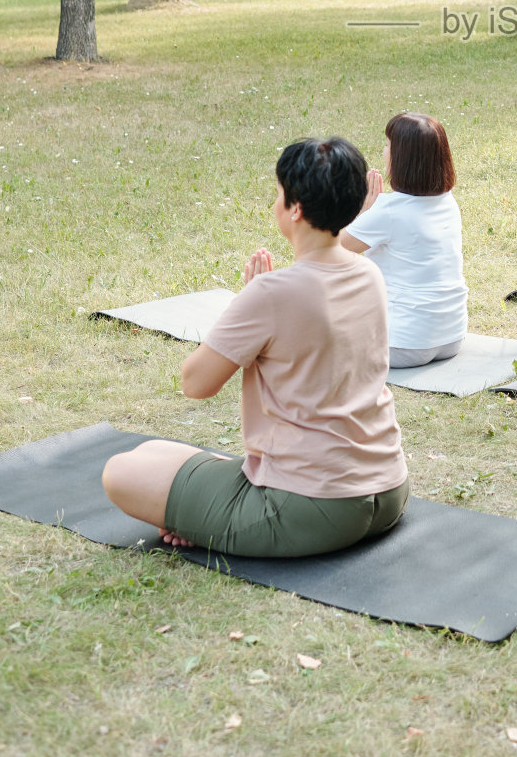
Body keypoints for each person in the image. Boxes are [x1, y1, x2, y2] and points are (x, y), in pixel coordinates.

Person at [101, 138, 409, 557]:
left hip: (312, 508)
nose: (276, 202)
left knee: (119, 472)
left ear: (295, 208)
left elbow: (195, 383)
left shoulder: (271, 293)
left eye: (279, 194)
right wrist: (256, 307)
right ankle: (203, 514)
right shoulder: (368, 273)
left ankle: (204, 520)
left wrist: (244, 306)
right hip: (388, 492)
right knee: (153, 451)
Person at [340, 113, 468, 366]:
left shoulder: (388, 211)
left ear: (402, 157)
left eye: (388, 145)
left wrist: (362, 212)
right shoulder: (448, 201)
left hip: (401, 345)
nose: (384, 150)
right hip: (452, 338)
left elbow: (329, 250)